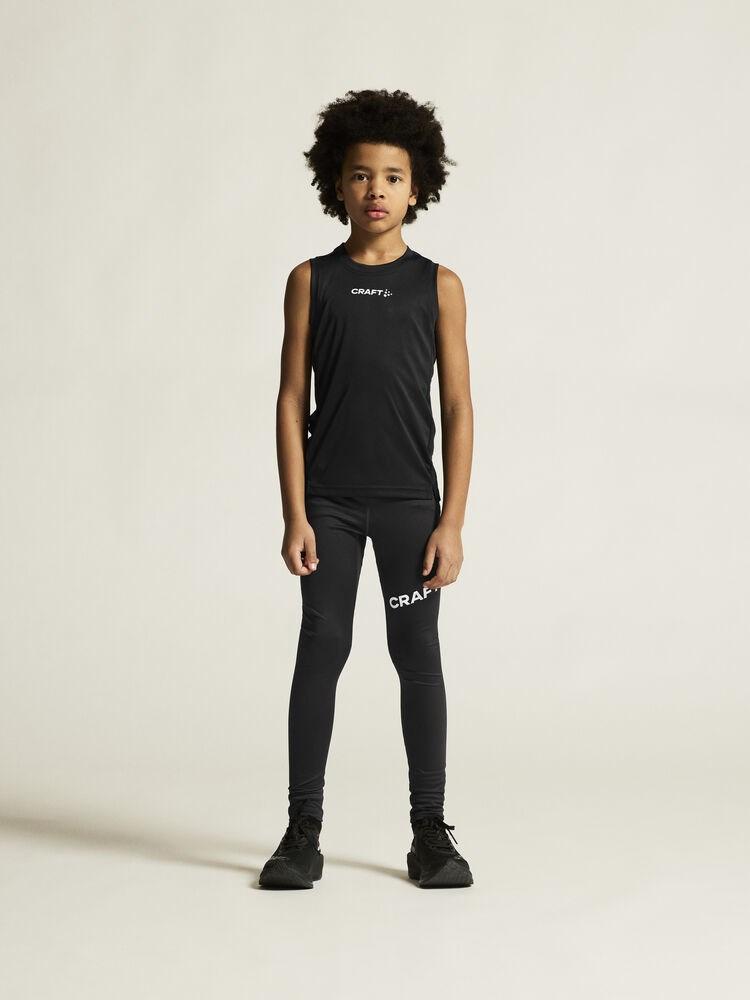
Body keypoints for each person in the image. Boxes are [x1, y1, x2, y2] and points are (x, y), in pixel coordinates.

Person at [259, 88, 474, 890]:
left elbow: (457, 407)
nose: (375, 190)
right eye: (360, 175)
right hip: (332, 506)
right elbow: (291, 400)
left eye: (392, 176)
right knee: (323, 645)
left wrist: (451, 522)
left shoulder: (439, 285)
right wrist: (295, 513)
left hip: (411, 507)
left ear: (417, 188)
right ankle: (301, 832)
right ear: (337, 184)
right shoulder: (311, 279)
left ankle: (430, 833)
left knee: (417, 654)